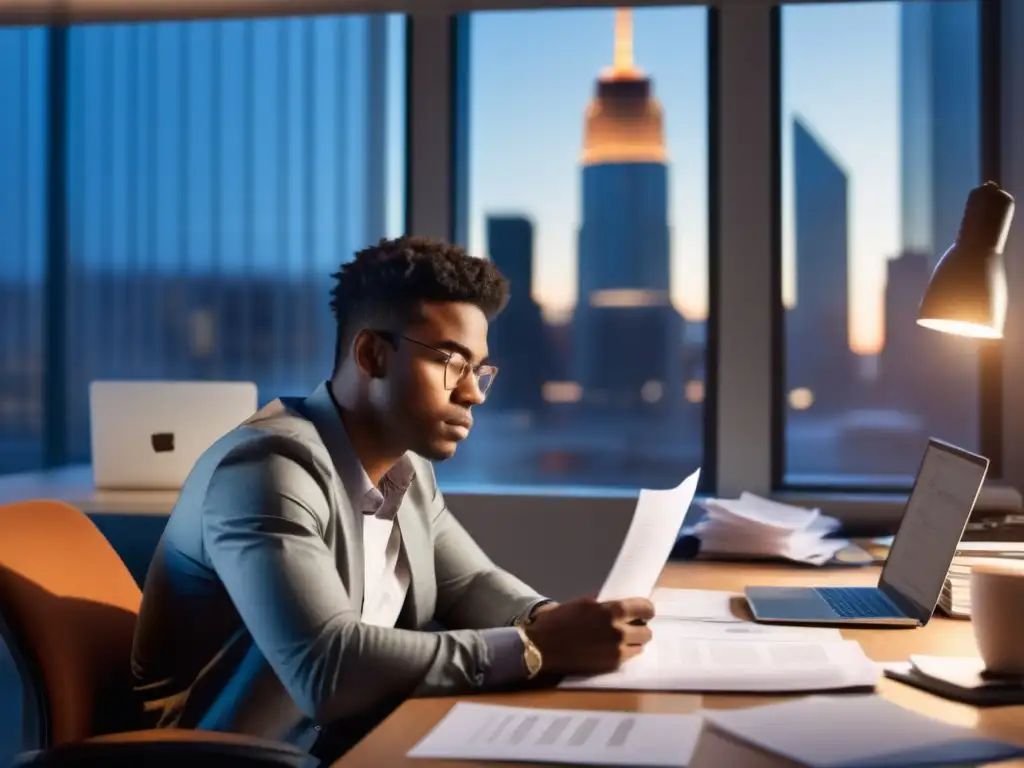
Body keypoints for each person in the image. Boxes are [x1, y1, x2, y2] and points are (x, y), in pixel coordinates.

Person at [131, 236, 655, 760]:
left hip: (356, 740)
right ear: (372, 355)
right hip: (236, 756)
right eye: (451, 361)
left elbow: (468, 583)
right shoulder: (267, 469)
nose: (472, 392)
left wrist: (549, 619)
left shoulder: (408, 471)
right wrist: (534, 649)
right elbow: (327, 668)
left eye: (479, 369)